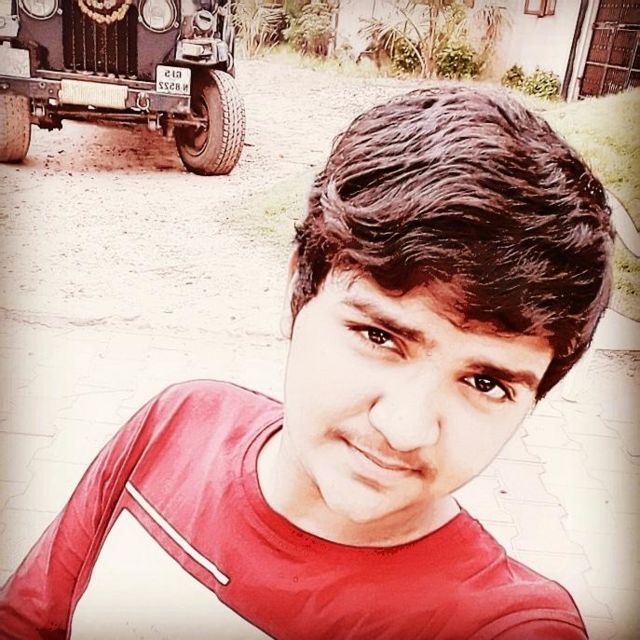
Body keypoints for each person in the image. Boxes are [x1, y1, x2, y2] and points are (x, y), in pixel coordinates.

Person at [0, 85, 613, 639]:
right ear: (301, 288)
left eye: (485, 382)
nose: (405, 428)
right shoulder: (176, 426)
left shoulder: (505, 624)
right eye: (379, 337)